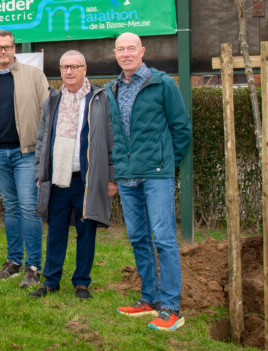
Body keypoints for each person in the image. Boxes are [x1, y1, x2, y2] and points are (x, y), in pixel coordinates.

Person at [107, 33, 191, 331]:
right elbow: (114, 133)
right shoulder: (113, 88)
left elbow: (181, 128)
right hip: (127, 176)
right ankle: (149, 300)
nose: (126, 54)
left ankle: (171, 308)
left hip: (156, 175)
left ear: (142, 51)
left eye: (131, 48)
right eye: (121, 49)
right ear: (115, 53)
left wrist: (166, 162)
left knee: (165, 240)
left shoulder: (162, 83)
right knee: (139, 239)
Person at [29, 51, 116, 300]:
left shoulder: (99, 99)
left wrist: (111, 177)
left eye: (74, 67)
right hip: (58, 177)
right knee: (56, 231)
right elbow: (43, 138)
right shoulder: (53, 99)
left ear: (85, 69)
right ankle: (50, 280)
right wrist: (40, 172)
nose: (69, 71)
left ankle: (81, 282)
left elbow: (111, 140)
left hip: (87, 179)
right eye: (65, 67)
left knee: (86, 231)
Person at [0, 30, 49, 288]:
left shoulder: (34, 77)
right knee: (12, 209)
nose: (2, 51)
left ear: (14, 49)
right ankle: (14, 262)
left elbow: (47, 116)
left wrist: (44, 154)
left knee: (29, 209)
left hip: (26, 154)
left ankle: (34, 266)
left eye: (7, 47)